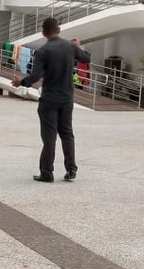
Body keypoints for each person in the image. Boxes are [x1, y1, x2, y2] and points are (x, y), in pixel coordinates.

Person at [13, 17, 90, 183]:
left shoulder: (42, 51)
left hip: (49, 100)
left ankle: (47, 173)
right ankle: (71, 169)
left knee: (49, 138)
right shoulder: (70, 47)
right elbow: (86, 58)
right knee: (67, 134)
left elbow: (36, 76)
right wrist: (77, 46)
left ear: (43, 33)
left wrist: (21, 82)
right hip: (67, 99)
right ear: (59, 29)